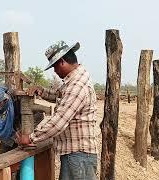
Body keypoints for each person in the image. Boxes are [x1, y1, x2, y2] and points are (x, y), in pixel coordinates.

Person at [18, 40, 100, 180]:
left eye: (55, 67)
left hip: (78, 157)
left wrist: (30, 138)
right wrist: (41, 91)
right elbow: (60, 95)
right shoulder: (74, 81)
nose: (55, 72)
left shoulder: (77, 86)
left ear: (62, 61)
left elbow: (58, 122)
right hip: (76, 155)